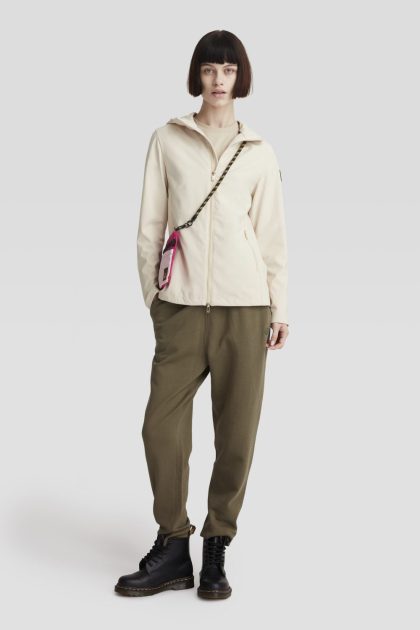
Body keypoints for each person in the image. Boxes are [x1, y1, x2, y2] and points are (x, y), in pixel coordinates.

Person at [114, 29, 289, 600]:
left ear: (241, 78)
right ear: (198, 76)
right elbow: (150, 225)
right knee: (160, 428)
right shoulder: (167, 139)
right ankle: (173, 545)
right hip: (181, 309)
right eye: (210, 70)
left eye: (229, 70)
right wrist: (155, 299)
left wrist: (279, 307)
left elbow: (271, 237)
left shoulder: (259, 152)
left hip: (245, 308)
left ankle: (216, 547)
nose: (219, 80)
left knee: (237, 435)